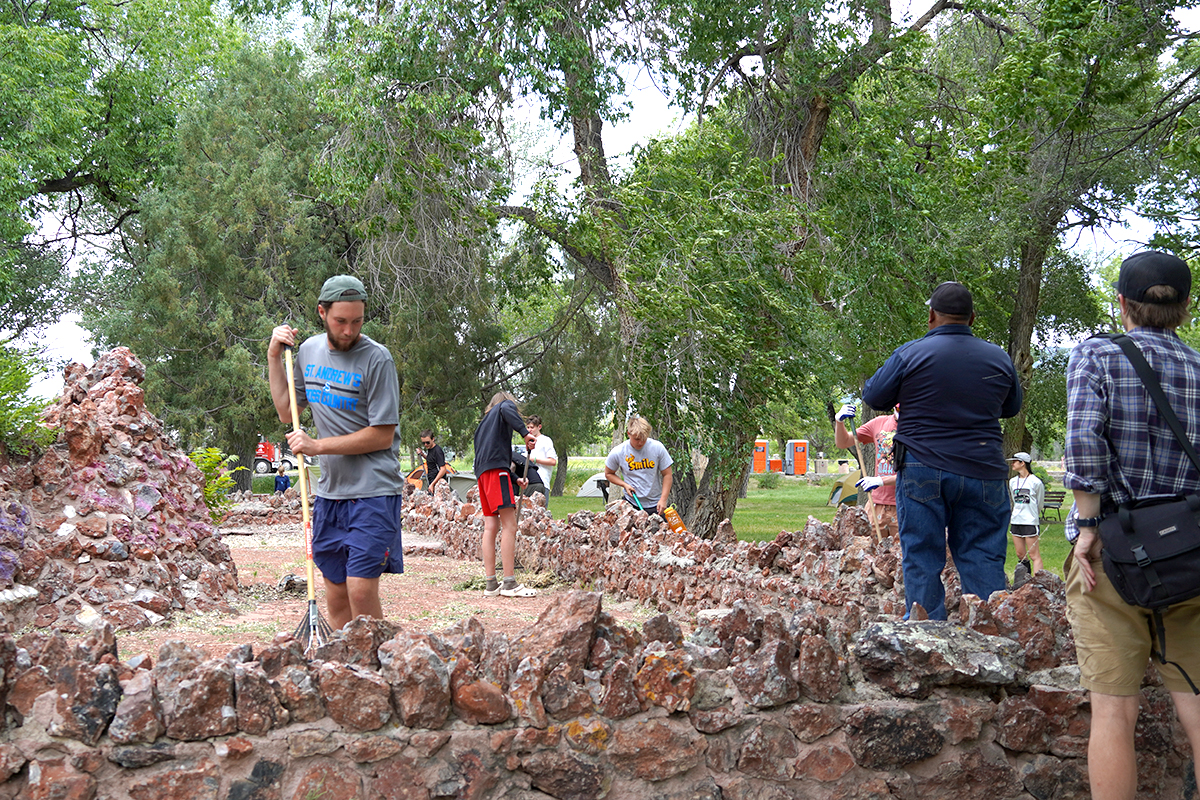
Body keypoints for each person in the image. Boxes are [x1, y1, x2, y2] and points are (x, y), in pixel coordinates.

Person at [1062, 251, 1200, 800]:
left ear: (1121, 303)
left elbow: (1083, 443)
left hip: (1114, 553)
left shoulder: (1095, 355)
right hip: (1193, 553)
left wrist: (1089, 526)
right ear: (1185, 310)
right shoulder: (1198, 367)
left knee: (1114, 712)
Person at [862, 281, 1023, 620]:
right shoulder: (998, 358)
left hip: (923, 468)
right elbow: (1011, 407)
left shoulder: (911, 353)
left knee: (921, 554)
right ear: (972, 319)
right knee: (983, 556)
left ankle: (926, 637)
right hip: (984, 469)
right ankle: (989, 635)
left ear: (931, 315)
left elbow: (875, 396)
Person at [267, 274, 405, 631]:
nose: (348, 330)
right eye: (341, 321)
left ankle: (381, 664)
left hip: (374, 490)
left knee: (360, 590)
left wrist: (317, 446)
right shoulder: (308, 351)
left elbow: (382, 435)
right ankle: (345, 669)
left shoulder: (377, 359)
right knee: (337, 594)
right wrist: (272, 356)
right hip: (330, 493)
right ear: (322, 313)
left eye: (357, 321)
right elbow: (287, 411)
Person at [474, 391, 538, 598]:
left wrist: (513, 479)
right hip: (496, 474)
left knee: (490, 527)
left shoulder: (482, 427)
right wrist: (525, 433)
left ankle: (491, 584)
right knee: (510, 525)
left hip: (484, 477)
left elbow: (493, 457)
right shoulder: (503, 407)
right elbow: (505, 407)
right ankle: (509, 582)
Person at [833, 402, 899, 538]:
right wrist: (839, 421)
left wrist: (881, 480)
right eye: (899, 408)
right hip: (876, 505)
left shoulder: (920, 429)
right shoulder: (879, 423)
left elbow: (918, 475)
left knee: (904, 555)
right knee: (870, 552)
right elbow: (843, 442)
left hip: (905, 505)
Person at [604, 416, 674, 515]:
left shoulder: (657, 448)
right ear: (629, 434)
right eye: (637, 439)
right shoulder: (619, 451)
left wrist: (663, 499)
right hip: (632, 503)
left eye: (643, 439)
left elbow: (667, 474)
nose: (640, 442)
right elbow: (608, 473)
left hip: (656, 505)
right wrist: (624, 484)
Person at [1008, 452, 1044, 580]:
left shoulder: (1036, 482)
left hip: (1030, 521)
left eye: (1015, 461)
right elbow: (1014, 499)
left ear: (1022, 463)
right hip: (1016, 520)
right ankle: (1025, 579)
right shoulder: (1012, 482)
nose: (1012, 464)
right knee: (1020, 553)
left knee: (1034, 554)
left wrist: (1033, 515)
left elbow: (1039, 502)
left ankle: (1038, 582)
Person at [526, 415, 558, 489]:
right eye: (528, 427)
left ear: (539, 427)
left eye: (532, 427)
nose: (529, 430)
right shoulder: (528, 441)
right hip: (529, 482)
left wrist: (534, 459)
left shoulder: (546, 440)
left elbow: (553, 461)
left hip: (542, 481)